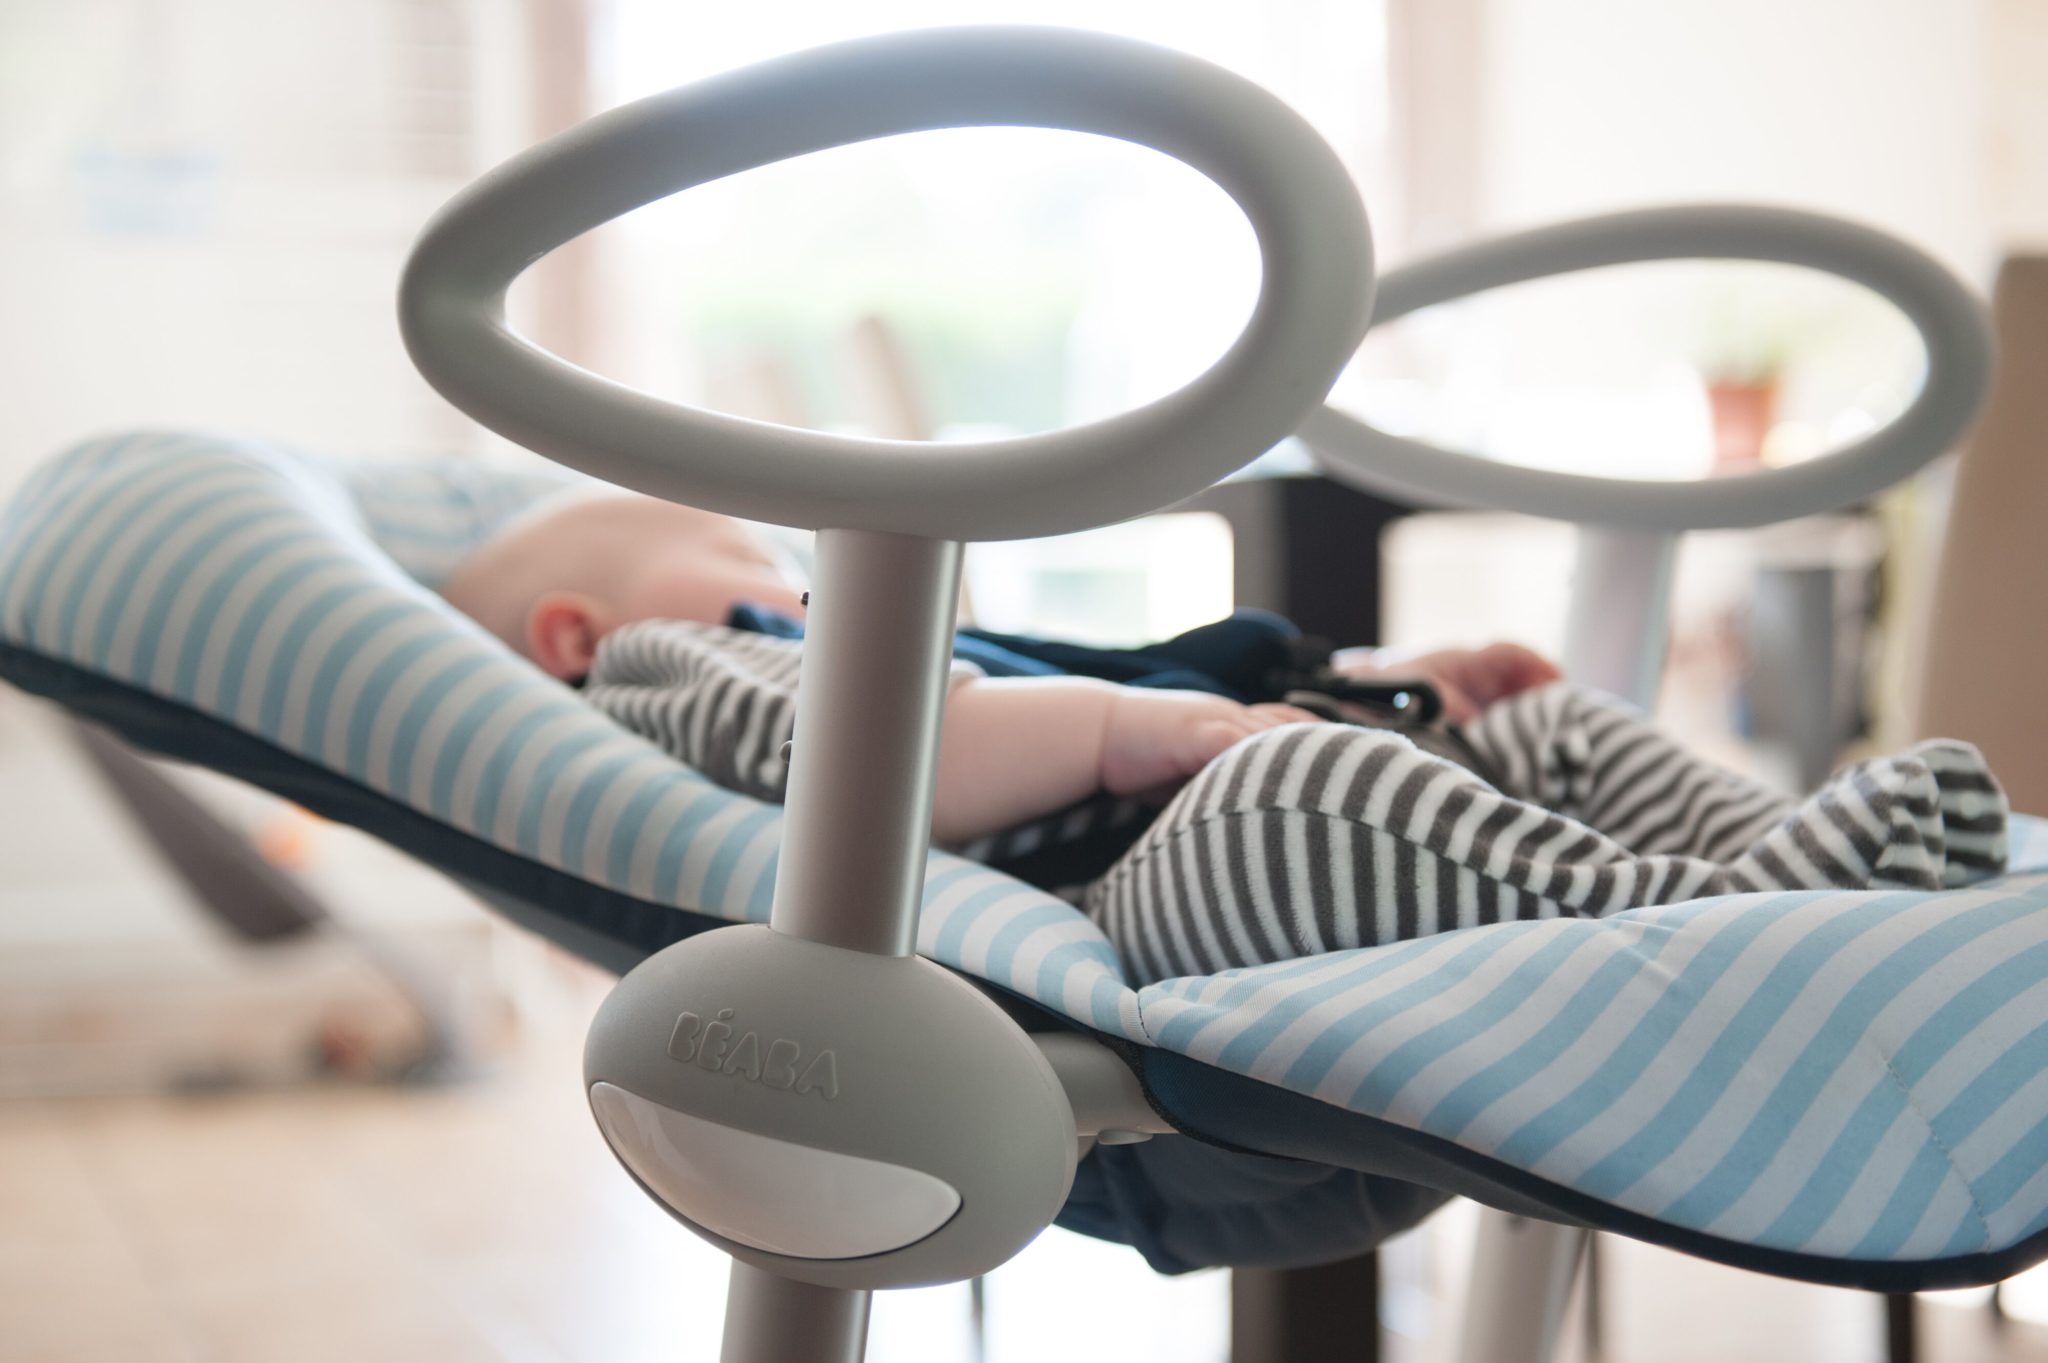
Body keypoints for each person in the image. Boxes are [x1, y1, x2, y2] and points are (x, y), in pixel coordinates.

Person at [442, 488, 2010, 983]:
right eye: (740, 548)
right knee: (1299, 792)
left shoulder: (751, 628)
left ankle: (1768, 847)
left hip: (1230, 781)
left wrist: (1397, 681)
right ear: (579, 632)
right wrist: (1132, 729)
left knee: (1541, 720)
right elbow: (894, 759)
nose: (787, 569)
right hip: (1142, 881)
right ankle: (1737, 916)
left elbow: (1144, 673)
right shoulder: (665, 664)